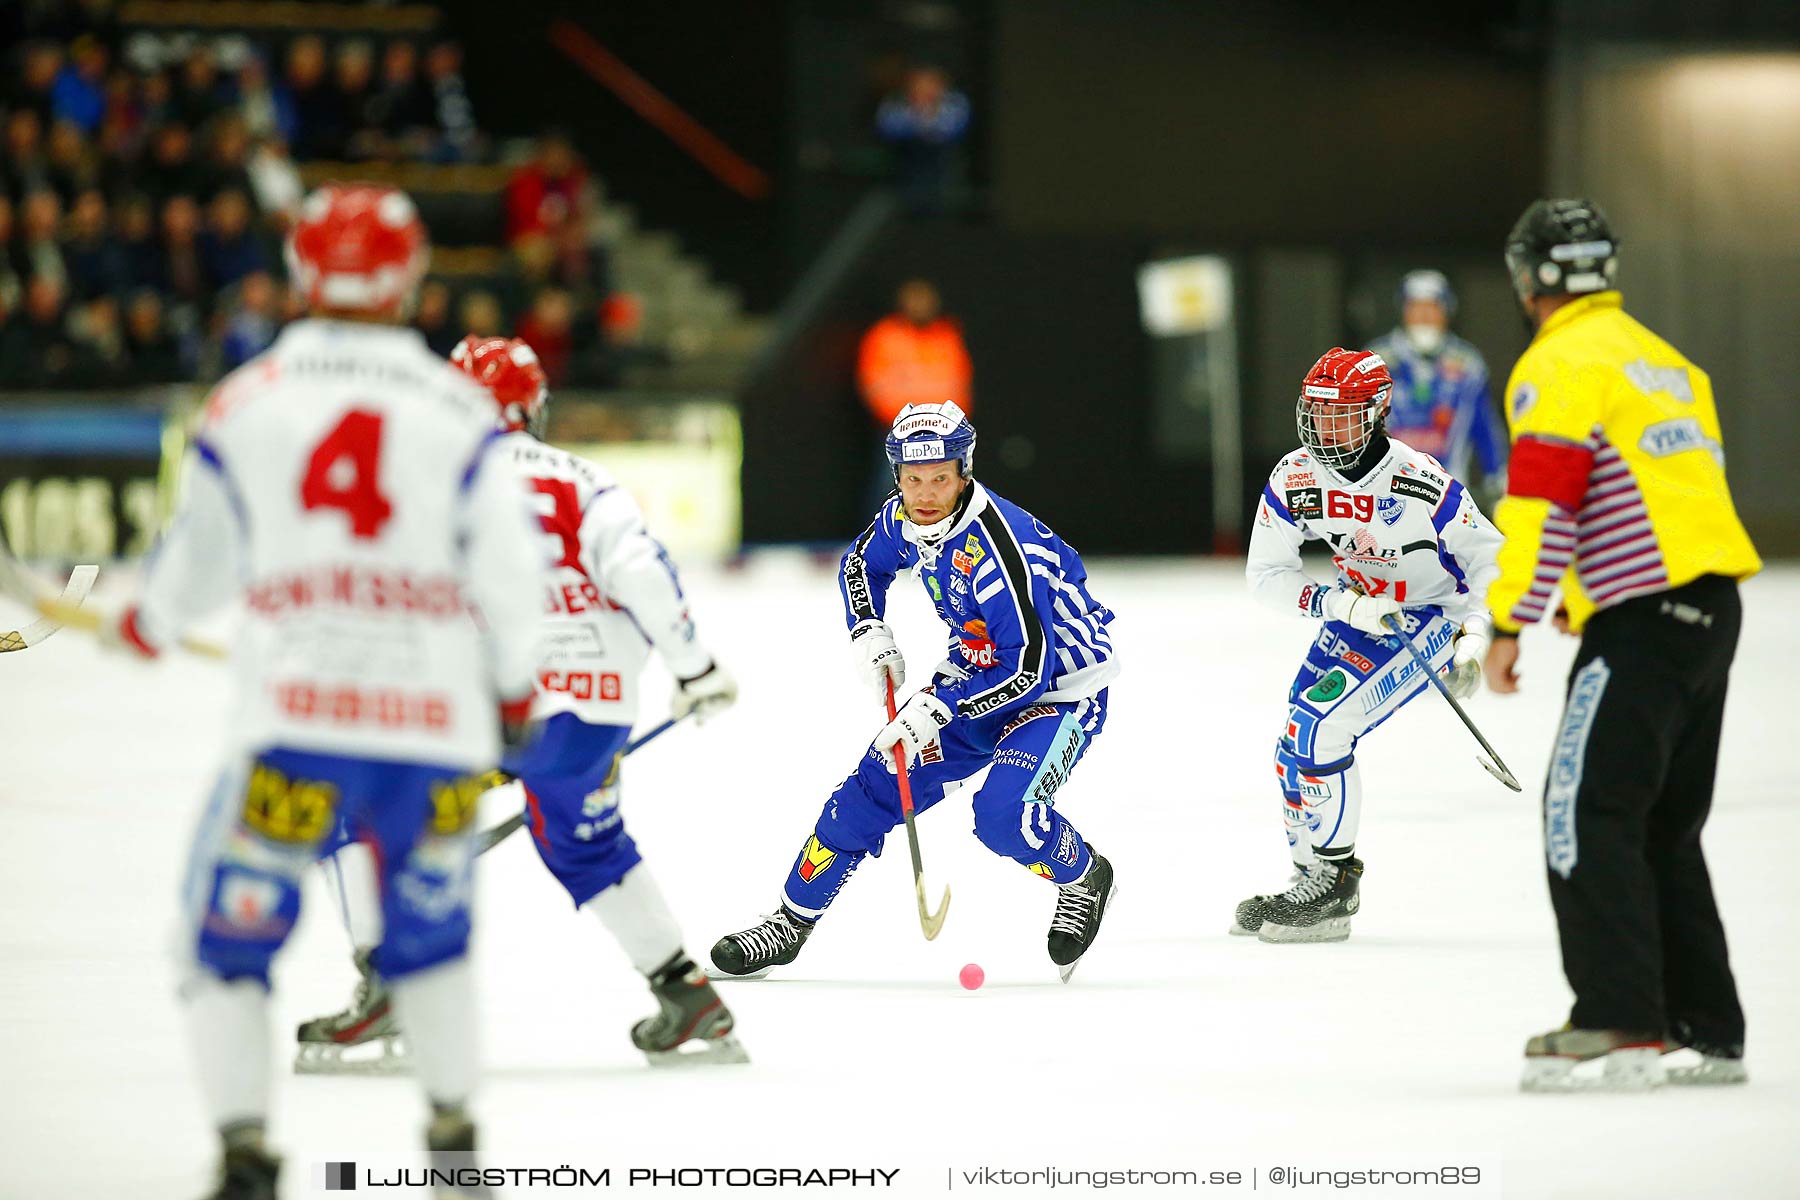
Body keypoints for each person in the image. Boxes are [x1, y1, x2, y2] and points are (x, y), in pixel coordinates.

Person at [100, 183, 547, 1200]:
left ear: (302, 269)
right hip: (430, 733)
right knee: (430, 948)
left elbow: (198, 560)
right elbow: (510, 572)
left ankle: (247, 1155)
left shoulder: (247, 398)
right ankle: (453, 1147)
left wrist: (149, 622)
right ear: (409, 275)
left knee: (223, 947)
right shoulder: (458, 408)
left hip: (295, 731)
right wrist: (514, 692)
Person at [296, 335, 745, 1071]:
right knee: (587, 842)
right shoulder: (585, 479)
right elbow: (641, 570)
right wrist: (694, 668)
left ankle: (386, 989)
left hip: (495, 703)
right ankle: (686, 993)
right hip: (594, 714)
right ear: (529, 409)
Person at [1482, 199, 1762, 1092]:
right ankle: (1705, 1024)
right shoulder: (1666, 362)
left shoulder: (1556, 364)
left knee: (1585, 812)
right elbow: (1660, 495)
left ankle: (1617, 1014)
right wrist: (1581, 594)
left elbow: (1542, 503)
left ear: (1531, 278)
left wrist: (1508, 620)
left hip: (1642, 621)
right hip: (1710, 609)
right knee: (1664, 825)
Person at [711, 401, 1120, 983]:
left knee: (1002, 818)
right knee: (877, 781)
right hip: (977, 674)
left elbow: (1027, 665)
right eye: (912, 479)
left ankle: (1082, 877)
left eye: (940, 479)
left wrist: (937, 707)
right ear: (897, 475)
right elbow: (860, 564)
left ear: (965, 472)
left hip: (1058, 693)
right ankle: (789, 920)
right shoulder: (902, 518)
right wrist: (868, 629)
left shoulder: (1002, 551)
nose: (925, 494)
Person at [1236, 347, 1502, 942]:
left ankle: (1334, 888)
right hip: (1360, 609)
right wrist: (1344, 604)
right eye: (1317, 414)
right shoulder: (1294, 475)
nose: (1325, 431)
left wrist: (1478, 630)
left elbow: (1490, 556)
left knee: (1321, 728)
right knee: (1292, 742)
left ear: (1379, 412)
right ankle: (1309, 875)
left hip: (1430, 615)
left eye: (1343, 416)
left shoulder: (1421, 481)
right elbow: (1267, 576)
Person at [1368, 270, 1507, 492]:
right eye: (1415, 306)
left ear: (1447, 310)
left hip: (1450, 492)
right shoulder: (1375, 360)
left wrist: (1497, 475)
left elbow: (1485, 425)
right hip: (1384, 490)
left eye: (1432, 306)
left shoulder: (1468, 364)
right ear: (1403, 310)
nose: (1424, 315)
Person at [855, 279, 972, 514]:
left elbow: (959, 380)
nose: (921, 306)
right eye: (915, 300)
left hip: (943, 433)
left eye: (925, 300)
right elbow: (873, 382)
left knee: (950, 488)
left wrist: (952, 424)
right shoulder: (886, 336)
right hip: (899, 430)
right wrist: (905, 423)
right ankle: (879, 542)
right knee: (889, 487)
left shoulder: (945, 334)